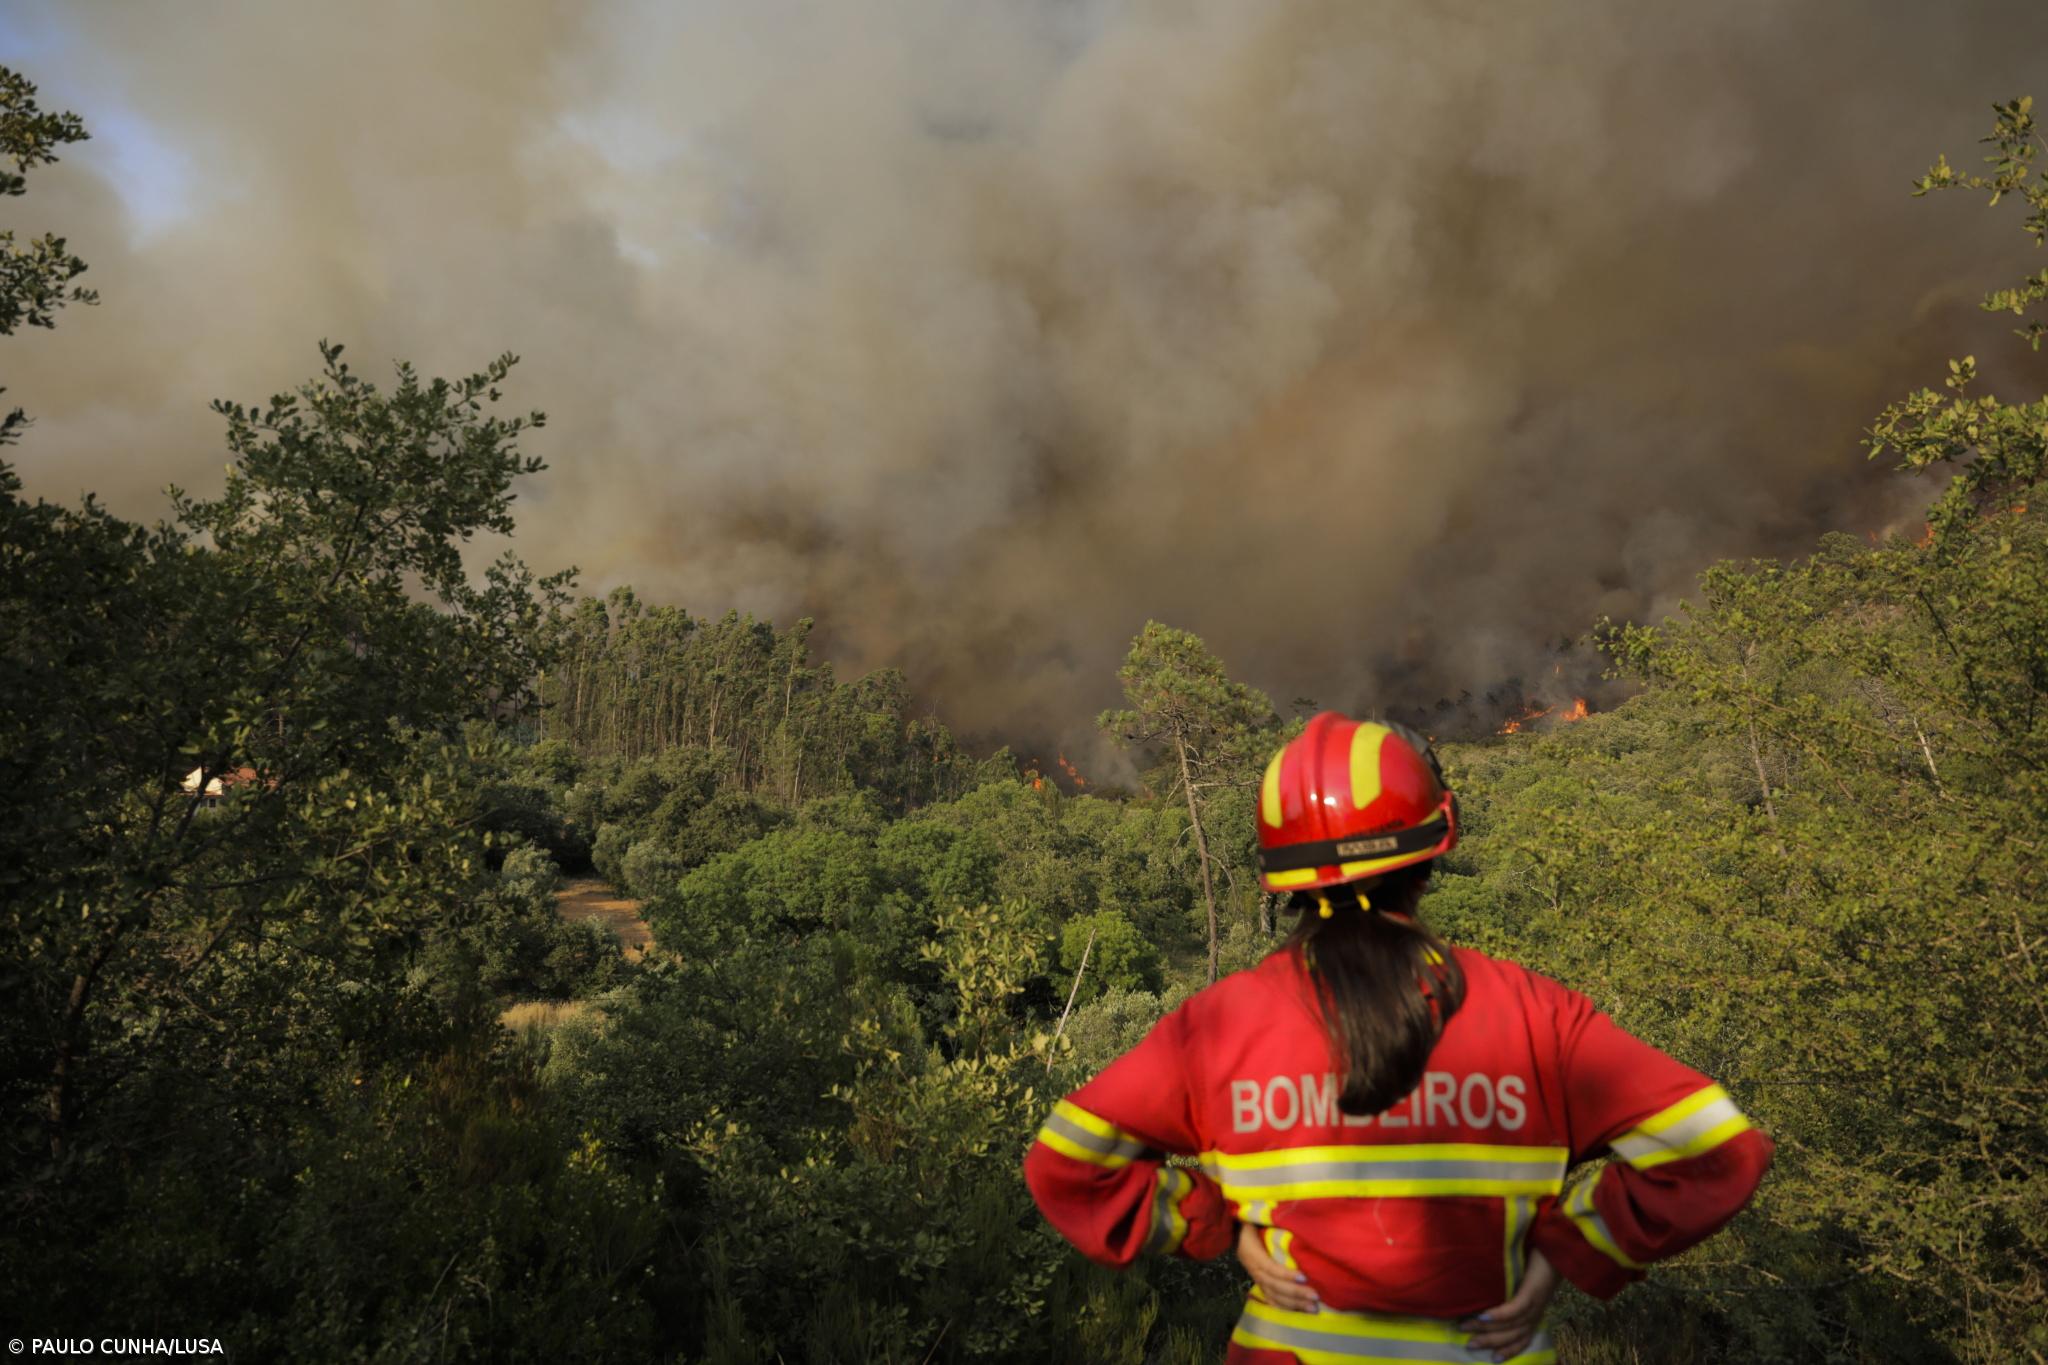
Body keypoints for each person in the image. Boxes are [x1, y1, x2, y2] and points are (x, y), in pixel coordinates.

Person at [1023, 712, 1774, 1364]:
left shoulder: (1221, 1026)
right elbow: (1717, 1150)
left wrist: (1219, 1219)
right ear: (1434, 845)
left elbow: (1066, 1163)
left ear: (1280, 877)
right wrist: (1564, 1250)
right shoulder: (1533, 1016)